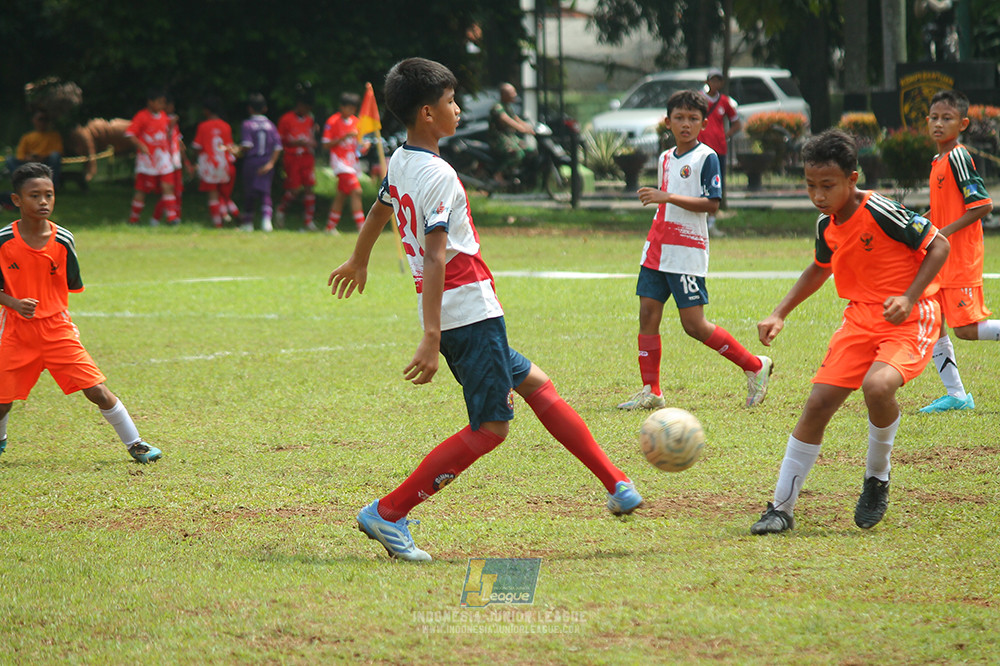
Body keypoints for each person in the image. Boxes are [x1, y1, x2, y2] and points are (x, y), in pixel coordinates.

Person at [328, 57, 642, 562]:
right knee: (491, 429)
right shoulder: (441, 175)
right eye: (452, 102)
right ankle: (388, 513)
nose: (458, 109)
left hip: (463, 313)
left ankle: (616, 483)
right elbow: (434, 255)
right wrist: (430, 337)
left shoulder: (403, 160)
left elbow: (382, 205)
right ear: (428, 113)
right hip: (466, 311)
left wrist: (358, 257)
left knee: (538, 385)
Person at [750, 129, 950, 535]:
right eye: (810, 186)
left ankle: (877, 476)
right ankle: (781, 509)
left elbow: (940, 245)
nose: (818, 195)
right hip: (859, 319)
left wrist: (909, 298)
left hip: (910, 317)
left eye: (828, 186)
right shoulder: (826, 223)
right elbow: (819, 268)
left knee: (877, 387)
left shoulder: (880, 211)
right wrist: (779, 312)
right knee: (818, 403)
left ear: (852, 179)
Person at [618, 89, 772, 411]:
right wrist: (663, 205)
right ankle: (651, 390)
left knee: (694, 326)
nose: (685, 124)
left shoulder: (707, 157)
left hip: (687, 252)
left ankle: (755, 366)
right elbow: (666, 205)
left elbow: (712, 205)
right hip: (657, 249)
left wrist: (668, 197)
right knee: (647, 315)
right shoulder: (663, 158)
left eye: (692, 118)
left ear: (703, 123)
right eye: (679, 118)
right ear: (667, 122)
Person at [0, 163, 162, 464]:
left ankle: (136, 443)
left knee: (96, 389)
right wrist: (12, 302)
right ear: (17, 200)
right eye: (34, 195)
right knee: (2, 399)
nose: (43, 201)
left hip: (56, 330)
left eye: (49, 194)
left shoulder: (63, 240)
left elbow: (70, 284)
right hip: (16, 332)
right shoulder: (3, 241)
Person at [918, 89, 995, 414]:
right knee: (935, 323)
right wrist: (917, 227)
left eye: (946, 118)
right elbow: (942, 211)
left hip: (960, 258)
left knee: (964, 329)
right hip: (942, 258)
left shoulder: (959, 157)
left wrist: (941, 233)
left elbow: (981, 205)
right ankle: (958, 396)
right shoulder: (939, 161)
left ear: (962, 123)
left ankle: (958, 396)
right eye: (934, 118)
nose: (939, 124)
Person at [125, 88, 179, 225]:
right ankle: (134, 218)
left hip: (163, 158)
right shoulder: (142, 116)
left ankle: (172, 218)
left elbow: (167, 134)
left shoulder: (163, 116)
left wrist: (171, 126)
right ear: (150, 102)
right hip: (147, 161)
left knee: (168, 186)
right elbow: (130, 134)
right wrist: (141, 146)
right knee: (141, 189)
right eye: (159, 102)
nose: (162, 105)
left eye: (163, 103)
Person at [699, 68, 742, 237]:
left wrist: (726, 135)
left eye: (718, 80)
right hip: (701, 149)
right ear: (707, 81)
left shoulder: (724, 102)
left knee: (714, 186)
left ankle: (711, 224)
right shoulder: (700, 99)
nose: (715, 83)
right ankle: (700, 223)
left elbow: (737, 123)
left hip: (718, 150)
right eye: (712, 80)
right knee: (698, 185)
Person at [322, 92, 367, 234]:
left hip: (352, 162)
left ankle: (330, 227)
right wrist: (344, 137)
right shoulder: (333, 121)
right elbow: (326, 144)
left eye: (354, 109)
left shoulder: (356, 122)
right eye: (348, 108)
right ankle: (362, 226)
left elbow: (359, 145)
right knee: (356, 190)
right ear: (342, 107)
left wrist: (364, 146)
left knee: (341, 194)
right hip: (340, 162)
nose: (351, 111)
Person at [276, 83, 319, 231]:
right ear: (299, 105)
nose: (307, 111)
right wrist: (295, 142)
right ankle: (281, 210)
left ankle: (308, 221)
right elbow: (280, 140)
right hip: (292, 157)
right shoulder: (286, 119)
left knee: (309, 188)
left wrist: (312, 143)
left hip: (307, 157)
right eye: (305, 107)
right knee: (294, 189)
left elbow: (312, 138)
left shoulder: (310, 120)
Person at [237, 93, 282, 232]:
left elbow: (247, 144)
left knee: (249, 192)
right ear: (265, 109)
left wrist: (236, 149)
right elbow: (278, 147)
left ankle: (248, 223)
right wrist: (271, 164)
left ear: (250, 109)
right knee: (265, 192)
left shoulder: (247, 124)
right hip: (267, 160)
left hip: (252, 161)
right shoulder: (271, 125)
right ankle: (266, 222)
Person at [192, 96, 237, 229]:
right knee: (223, 193)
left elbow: (197, 146)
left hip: (209, 165)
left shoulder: (203, 126)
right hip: (223, 164)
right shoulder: (225, 126)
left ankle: (218, 224)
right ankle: (235, 213)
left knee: (213, 194)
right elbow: (230, 147)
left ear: (206, 111)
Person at [151, 96, 193, 226]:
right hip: (166, 162)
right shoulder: (162, 121)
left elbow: (178, 143)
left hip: (175, 162)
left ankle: (174, 218)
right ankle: (160, 219)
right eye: (169, 105)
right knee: (168, 191)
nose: (172, 108)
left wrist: (186, 162)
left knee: (177, 191)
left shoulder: (173, 123)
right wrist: (170, 126)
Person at [487, 83, 536, 183]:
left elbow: (516, 119)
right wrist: (521, 129)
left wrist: (531, 128)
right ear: (504, 95)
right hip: (498, 139)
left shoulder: (508, 106)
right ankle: (499, 174)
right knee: (518, 154)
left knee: (530, 150)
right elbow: (507, 120)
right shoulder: (497, 107)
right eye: (512, 93)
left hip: (509, 137)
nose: (515, 94)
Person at [7, 110, 64, 187]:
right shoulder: (27, 137)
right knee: (10, 159)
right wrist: (29, 158)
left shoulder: (54, 135)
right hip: (29, 162)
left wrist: (41, 157)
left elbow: (58, 152)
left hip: (46, 162)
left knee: (55, 156)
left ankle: (52, 185)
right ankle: (21, 184)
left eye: (45, 119)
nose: (43, 122)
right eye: (40, 119)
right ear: (34, 120)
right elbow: (20, 155)